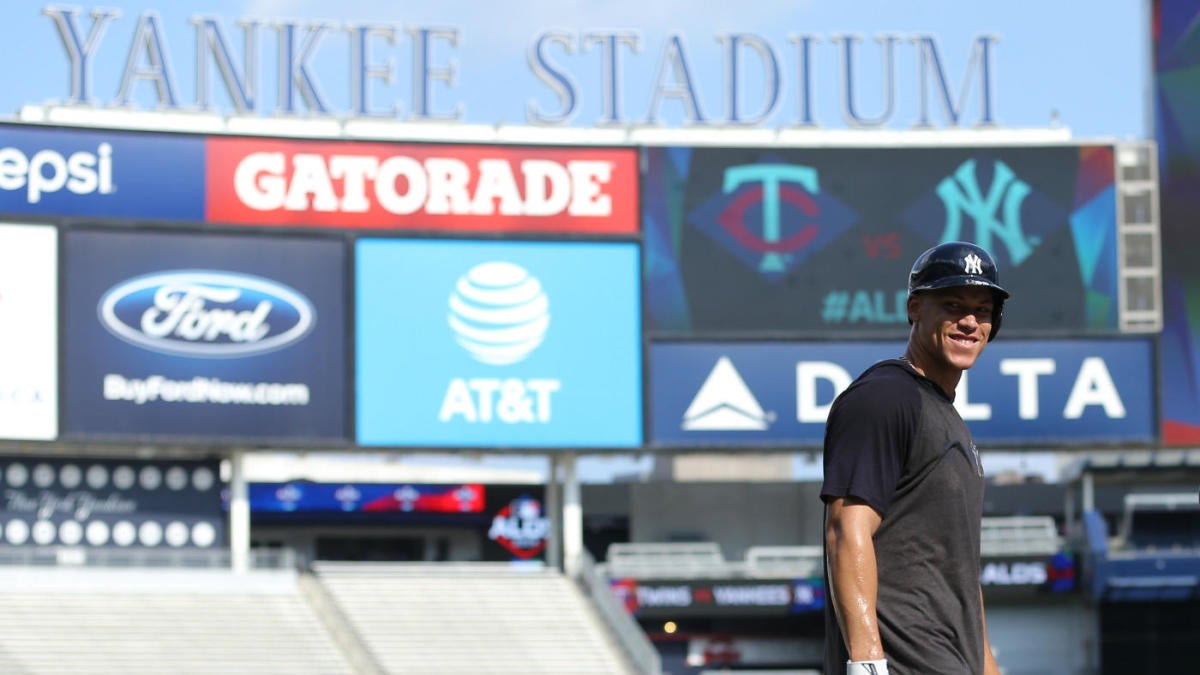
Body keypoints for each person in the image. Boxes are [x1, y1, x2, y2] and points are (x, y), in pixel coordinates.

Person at [820, 241, 1008, 675]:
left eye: (982, 310)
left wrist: (987, 666)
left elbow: (957, 572)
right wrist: (867, 663)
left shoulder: (945, 416)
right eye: (952, 304)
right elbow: (845, 530)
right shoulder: (885, 397)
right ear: (915, 308)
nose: (969, 321)